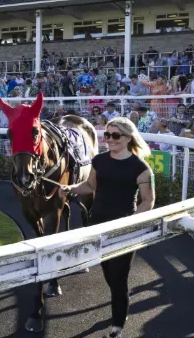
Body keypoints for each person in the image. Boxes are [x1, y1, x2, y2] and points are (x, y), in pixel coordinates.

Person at [60, 117, 154, 338]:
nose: (110, 139)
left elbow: (147, 201)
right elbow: (90, 185)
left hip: (124, 229)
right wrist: (71, 188)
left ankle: (117, 327)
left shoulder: (141, 167)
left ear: (128, 138)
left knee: (119, 277)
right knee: (109, 275)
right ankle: (121, 306)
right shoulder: (99, 161)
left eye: (115, 135)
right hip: (97, 224)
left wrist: (132, 223)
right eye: (107, 135)